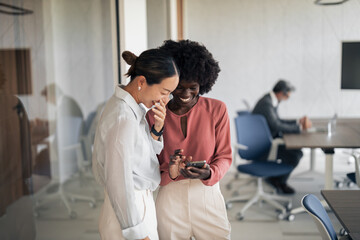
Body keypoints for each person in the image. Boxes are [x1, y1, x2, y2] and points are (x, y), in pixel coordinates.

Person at [147, 40, 232, 240]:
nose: (185, 94)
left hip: (206, 194)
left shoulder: (217, 110)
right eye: (179, 87)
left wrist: (210, 172)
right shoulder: (154, 115)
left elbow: (225, 156)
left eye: (192, 87)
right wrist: (171, 170)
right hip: (169, 198)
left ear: (202, 83)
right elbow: (149, 161)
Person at [92, 48, 179, 240]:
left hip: (137, 206)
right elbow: (118, 181)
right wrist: (137, 233)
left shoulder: (133, 110)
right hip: (129, 214)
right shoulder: (123, 116)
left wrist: (157, 128)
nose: (165, 100)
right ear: (141, 82)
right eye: (164, 92)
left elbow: (143, 155)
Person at [252, 79, 312, 194]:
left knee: (296, 152)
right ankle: (278, 181)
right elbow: (276, 125)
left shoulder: (270, 100)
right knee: (295, 155)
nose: (286, 99)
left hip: (265, 140)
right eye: (287, 97)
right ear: (280, 93)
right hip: (263, 146)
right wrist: (299, 128)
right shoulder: (266, 103)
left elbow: (277, 121)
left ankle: (277, 179)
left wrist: (297, 122)